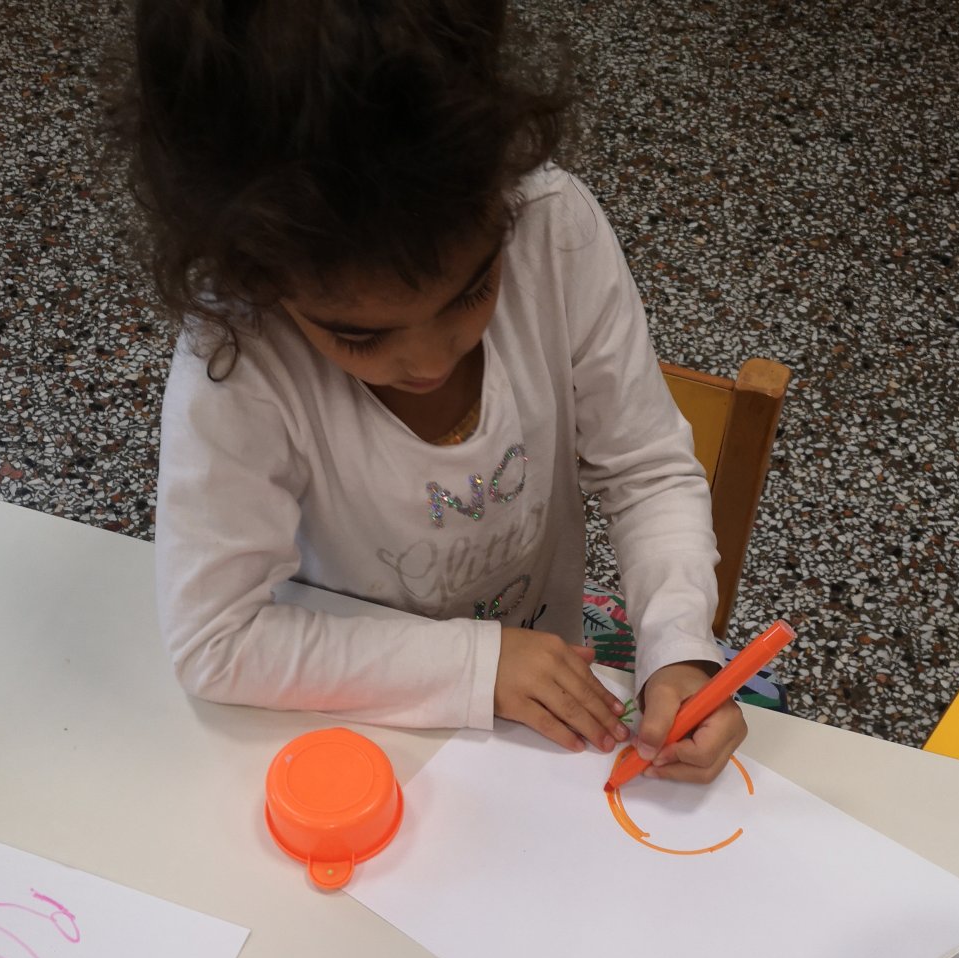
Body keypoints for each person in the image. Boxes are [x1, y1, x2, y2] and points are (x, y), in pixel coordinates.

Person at [115, 0, 746, 784]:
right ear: (256, 275)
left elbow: (646, 470)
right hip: (360, 716)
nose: (429, 361)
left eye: (471, 292)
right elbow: (216, 642)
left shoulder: (551, 229)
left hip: (544, 701)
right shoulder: (238, 356)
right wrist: (478, 666)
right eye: (358, 336)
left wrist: (679, 645)